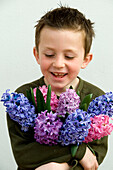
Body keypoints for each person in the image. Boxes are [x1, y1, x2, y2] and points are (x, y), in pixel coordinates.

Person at [7, 5, 108, 170]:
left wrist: (62, 167)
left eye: (69, 56)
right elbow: (23, 154)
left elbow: (94, 160)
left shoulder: (96, 98)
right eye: (49, 55)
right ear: (37, 54)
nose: (59, 64)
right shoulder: (21, 98)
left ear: (85, 59)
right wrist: (78, 151)